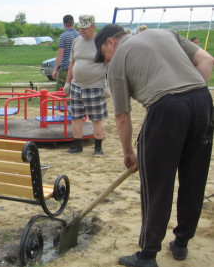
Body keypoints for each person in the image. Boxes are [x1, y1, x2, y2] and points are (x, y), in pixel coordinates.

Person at [94, 24, 214, 267]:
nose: (106, 60)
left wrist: (128, 152)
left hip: (165, 109)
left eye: (103, 54)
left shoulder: (118, 61)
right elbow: (207, 60)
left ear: (111, 43)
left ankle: (148, 255)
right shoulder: (165, 33)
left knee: (157, 184)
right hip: (202, 101)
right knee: (194, 178)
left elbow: (122, 116)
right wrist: (188, 96)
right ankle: (181, 243)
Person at [64, 15, 107, 156]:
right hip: (76, 86)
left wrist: (109, 86)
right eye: (80, 27)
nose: (82, 30)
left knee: (96, 118)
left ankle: (98, 148)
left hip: (95, 86)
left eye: (85, 28)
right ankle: (77, 146)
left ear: (93, 27)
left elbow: (110, 64)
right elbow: (72, 63)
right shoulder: (76, 41)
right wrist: (67, 82)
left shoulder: (101, 42)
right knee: (76, 117)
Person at [52, 14, 80, 89]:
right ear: (73, 23)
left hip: (66, 68)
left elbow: (60, 54)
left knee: (60, 92)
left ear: (64, 24)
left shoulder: (63, 36)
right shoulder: (79, 36)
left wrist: (55, 69)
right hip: (77, 67)